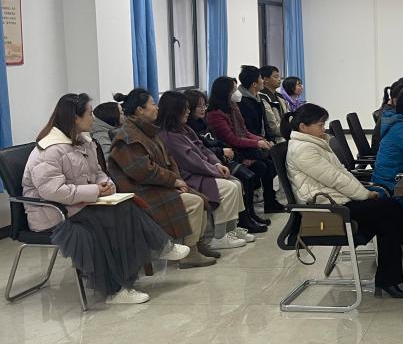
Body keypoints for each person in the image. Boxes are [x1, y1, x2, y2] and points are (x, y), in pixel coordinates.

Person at [22, 93, 189, 304]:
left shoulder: (84, 141)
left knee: (127, 206)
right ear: (75, 118)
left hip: (78, 205)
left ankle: (151, 257)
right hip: (53, 213)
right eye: (90, 113)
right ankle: (117, 289)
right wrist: (95, 190)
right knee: (114, 219)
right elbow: (53, 191)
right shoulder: (50, 150)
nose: (93, 118)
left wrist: (106, 184)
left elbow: (98, 172)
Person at [284, 103, 403, 298]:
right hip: (328, 210)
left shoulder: (315, 143)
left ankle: (390, 278)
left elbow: (342, 173)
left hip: (338, 201)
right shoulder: (303, 150)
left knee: (388, 219)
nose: (324, 129)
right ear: (303, 127)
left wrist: (362, 191)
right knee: (388, 208)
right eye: (320, 125)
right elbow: (335, 179)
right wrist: (365, 194)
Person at [108, 88, 212, 269]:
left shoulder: (147, 131)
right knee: (195, 202)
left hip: (158, 185)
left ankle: (197, 244)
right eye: (153, 104)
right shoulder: (128, 137)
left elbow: (168, 160)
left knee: (200, 199)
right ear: (140, 110)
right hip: (142, 191)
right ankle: (190, 252)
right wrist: (173, 181)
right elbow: (143, 171)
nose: (157, 108)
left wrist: (176, 181)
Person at [157, 91, 252, 254]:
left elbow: (203, 148)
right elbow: (191, 161)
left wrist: (217, 163)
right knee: (228, 188)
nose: (188, 112)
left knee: (236, 183)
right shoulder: (168, 136)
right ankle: (220, 236)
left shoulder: (184, 129)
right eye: (185, 109)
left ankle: (231, 229)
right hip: (189, 176)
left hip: (203, 170)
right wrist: (215, 171)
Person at [184, 88, 268, 233]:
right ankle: (240, 222)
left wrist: (228, 152)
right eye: (199, 106)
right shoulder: (191, 127)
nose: (203, 109)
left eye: (204, 105)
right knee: (243, 177)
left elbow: (218, 141)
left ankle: (249, 215)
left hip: (221, 157)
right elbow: (201, 150)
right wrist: (221, 153)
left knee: (254, 171)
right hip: (211, 163)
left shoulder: (203, 122)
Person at [206, 76, 285, 213]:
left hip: (241, 147)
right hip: (232, 151)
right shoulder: (215, 114)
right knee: (262, 165)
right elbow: (232, 139)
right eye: (233, 89)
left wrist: (261, 140)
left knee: (270, 162)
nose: (237, 92)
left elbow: (244, 131)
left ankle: (270, 202)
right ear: (225, 92)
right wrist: (257, 143)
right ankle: (249, 212)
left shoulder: (233, 107)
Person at [237, 65, 269, 139]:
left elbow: (265, 123)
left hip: (262, 139)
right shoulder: (241, 102)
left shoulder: (259, 99)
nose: (263, 81)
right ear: (254, 84)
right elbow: (249, 129)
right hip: (252, 141)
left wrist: (270, 139)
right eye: (261, 78)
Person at [259, 65, 286, 144]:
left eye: (279, 77)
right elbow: (272, 125)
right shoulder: (262, 97)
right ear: (265, 79)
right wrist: (288, 131)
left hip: (285, 135)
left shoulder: (280, 96)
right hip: (274, 139)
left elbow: (288, 116)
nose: (279, 79)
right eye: (276, 77)